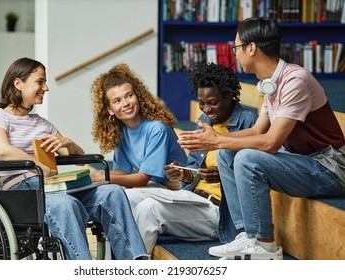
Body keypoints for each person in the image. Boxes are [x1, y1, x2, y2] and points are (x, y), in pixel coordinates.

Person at [178, 17, 345, 260]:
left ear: (251, 48)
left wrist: (217, 141)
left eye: (236, 48)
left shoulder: (295, 81)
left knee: (246, 158)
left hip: (329, 168)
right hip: (301, 160)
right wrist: (217, 138)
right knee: (228, 153)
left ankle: (265, 245)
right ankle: (246, 235)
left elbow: (270, 142)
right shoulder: (270, 83)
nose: (235, 54)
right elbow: (258, 131)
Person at [0, 57, 149, 260]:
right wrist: (38, 165)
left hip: (51, 188)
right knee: (66, 205)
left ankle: (135, 263)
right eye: (40, 82)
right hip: (21, 193)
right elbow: (3, 150)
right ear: (18, 83)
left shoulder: (41, 123)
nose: (46, 87)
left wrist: (66, 143)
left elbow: (76, 156)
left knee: (112, 193)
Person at [123, 62, 257, 254]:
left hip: (219, 211)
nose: (206, 109)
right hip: (194, 197)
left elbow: (253, 174)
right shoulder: (203, 122)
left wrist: (222, 175)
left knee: (149, 208)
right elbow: (193, 171)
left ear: (228, 96)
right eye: (202, 103)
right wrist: (183, 173)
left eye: (212, 102)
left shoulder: (247, 122)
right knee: (125, 196)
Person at [90, 63, 187, 188]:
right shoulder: (120, 131)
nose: (125, 103)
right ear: (110, 109)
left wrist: (104, 178)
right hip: (155, 184)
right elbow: (123, 171)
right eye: (117, 101)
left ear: (138, 96)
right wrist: (101, 174)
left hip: (176, 186)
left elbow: (142, 178)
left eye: (129, 96)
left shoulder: (157, 128)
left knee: (122, 196)